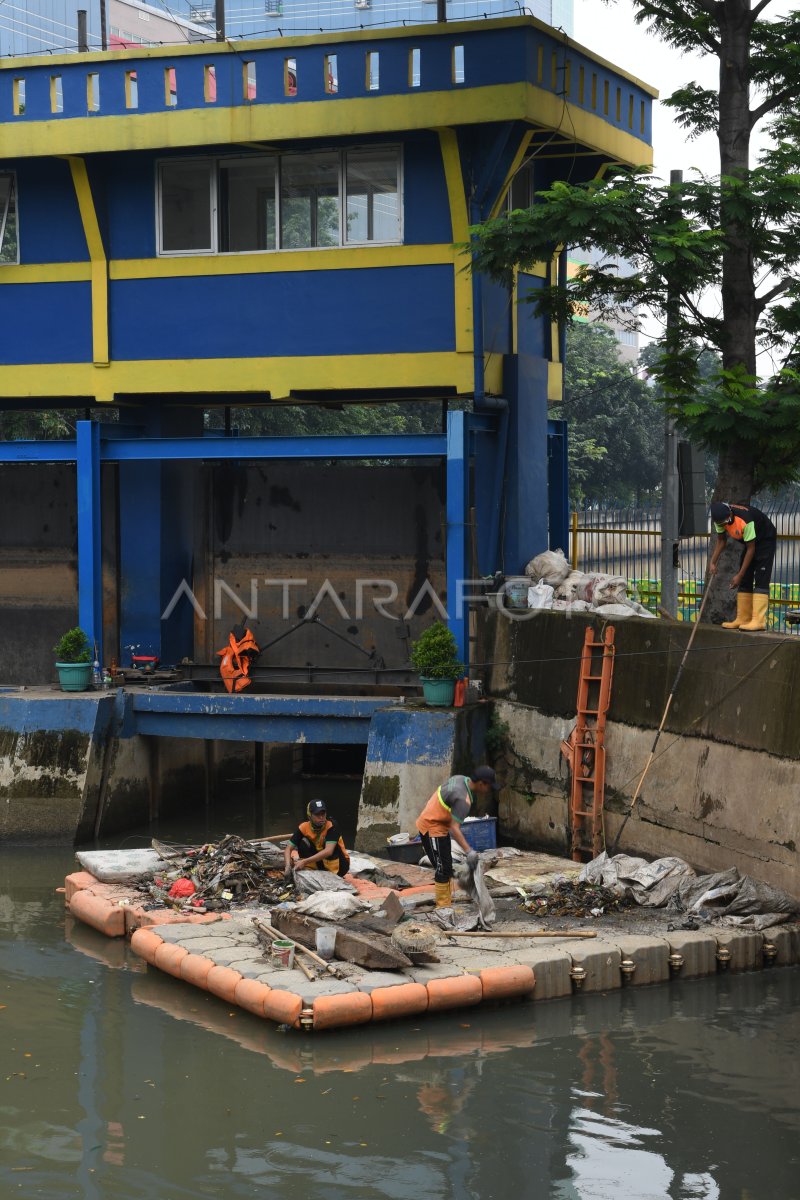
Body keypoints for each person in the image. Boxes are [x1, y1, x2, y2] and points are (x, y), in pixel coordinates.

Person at [415, 766, 499, 909]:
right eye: (489, 787)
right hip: (432, 827)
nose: (489, 791)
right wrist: (469, 851)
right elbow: (454, 828)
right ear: (481, 784)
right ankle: (442, 909)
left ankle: (445, 905)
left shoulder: (460, 779)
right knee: (442, 869)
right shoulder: (463, 800)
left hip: (440, 825)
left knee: (446, 867)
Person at [708, 501, 777, 631]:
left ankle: (758, 621)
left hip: (765, 539)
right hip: (750, 542)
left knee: (761, 578)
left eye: (725, 521)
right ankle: (743, 618)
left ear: (730, 513)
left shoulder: (745, 520)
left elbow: (751, 549)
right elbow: (722, 541)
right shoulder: (719, 520)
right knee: (745, 577)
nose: (724, 525)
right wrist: (713, 562)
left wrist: (739, 575)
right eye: (720, 523)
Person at [284, 799, 351, 878]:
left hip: (340, 866)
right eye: (317, 814)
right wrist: (287, 866)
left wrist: (304, 862)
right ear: (309, 816)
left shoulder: (332, 825)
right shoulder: (304, 827)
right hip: (320, 862)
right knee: (302, 842)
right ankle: (312, 869)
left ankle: (332, 874)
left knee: (330, 845)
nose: (321, 817)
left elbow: (329, 851)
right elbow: (288, 849)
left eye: (323, 813)